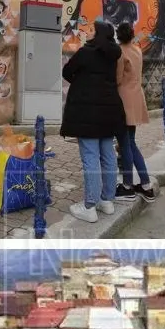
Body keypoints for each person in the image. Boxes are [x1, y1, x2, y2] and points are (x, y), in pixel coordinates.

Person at [60, 21, 125, 223]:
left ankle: (89, 205)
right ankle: (106, 201)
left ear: (97, 34)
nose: (87, 32)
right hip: (108, 112)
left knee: (90, 158)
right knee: (108, 155)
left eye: (91, 30)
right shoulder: (113, 55)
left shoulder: (85, 53)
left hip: (87, 113)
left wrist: (82, 83)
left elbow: (67, 72)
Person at [113, 22, 155, 203]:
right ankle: (146, 185)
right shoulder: (137, 50)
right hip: (137, 98)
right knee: (131, 142)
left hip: (124, 101)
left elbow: (117, 78)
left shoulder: (120, 52)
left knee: (125, 144)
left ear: (118, 35)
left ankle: (128, 186)